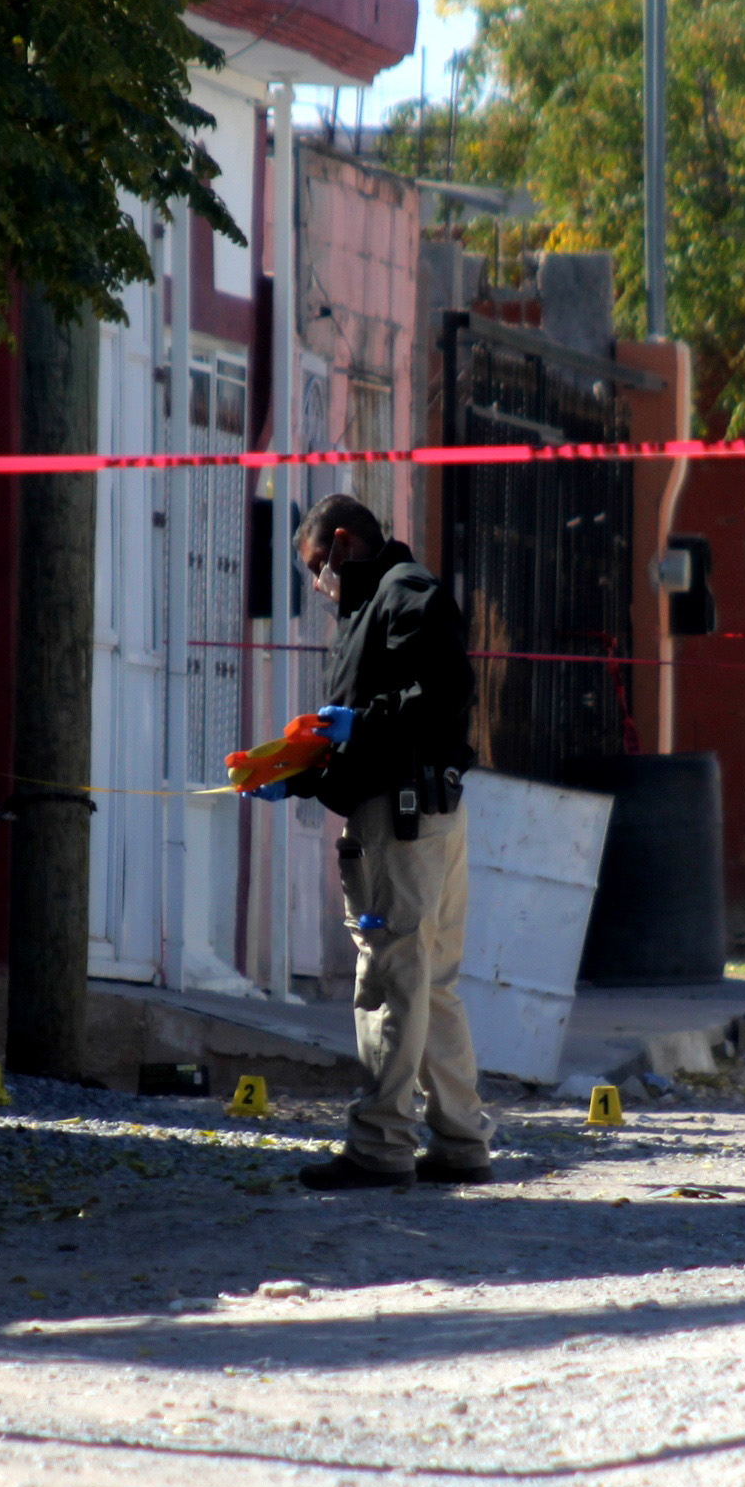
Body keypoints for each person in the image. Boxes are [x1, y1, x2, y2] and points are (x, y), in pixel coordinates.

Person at [250, 494, 487, 1189]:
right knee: (430, 984)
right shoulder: (371, 609)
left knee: (389, 979)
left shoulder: (401, 592)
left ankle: (381, 1145)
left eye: (320, 566)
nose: (320, 584)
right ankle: (461, 1141)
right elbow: (359, 735)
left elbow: (447, 689)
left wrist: (366, 720)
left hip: (403, 824)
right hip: (422, 815)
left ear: (347, 542)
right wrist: (290, 778)